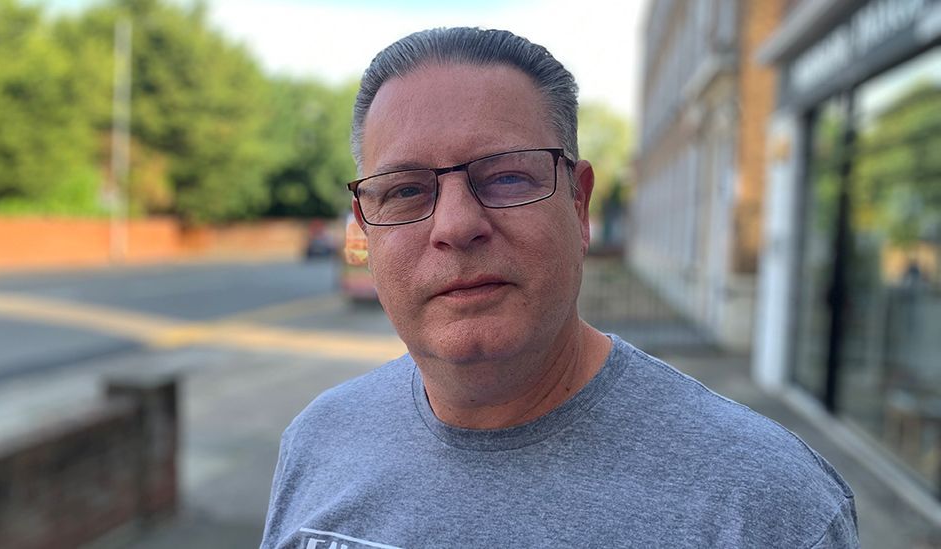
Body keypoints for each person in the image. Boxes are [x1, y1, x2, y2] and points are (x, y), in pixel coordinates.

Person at [261, 27, 859, 548]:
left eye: (506, 176)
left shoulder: (766, 506)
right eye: (405, 190)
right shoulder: (317, 442)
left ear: (579, 204)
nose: (456, 225)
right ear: (368, 228)